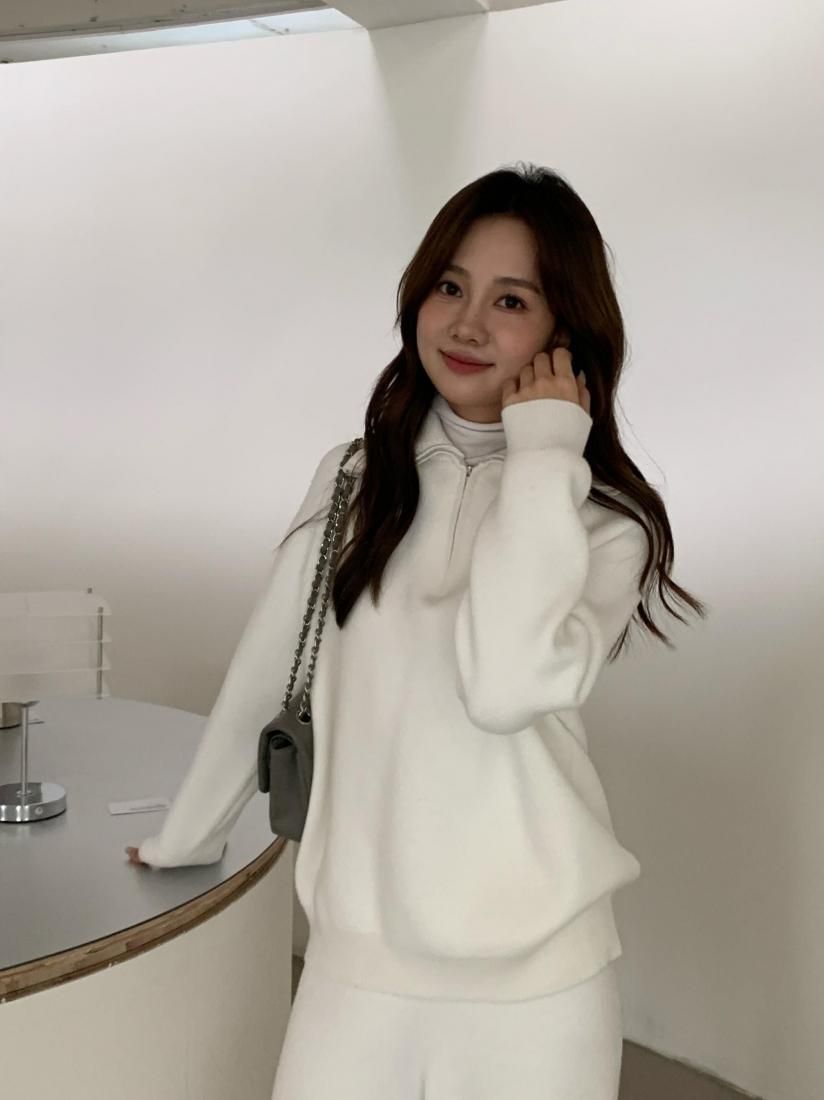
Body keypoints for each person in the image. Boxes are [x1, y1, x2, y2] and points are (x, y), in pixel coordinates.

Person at [126, 163, 706, 1099]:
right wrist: (187, 836)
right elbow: (269, 671)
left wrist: (544, 455)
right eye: (449, 287)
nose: (467, 325)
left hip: (540, 987)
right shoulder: (355, 479)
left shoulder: (604, 522)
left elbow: (506, 686)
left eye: (510, 300)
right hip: (356, 969)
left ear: (565, 331)